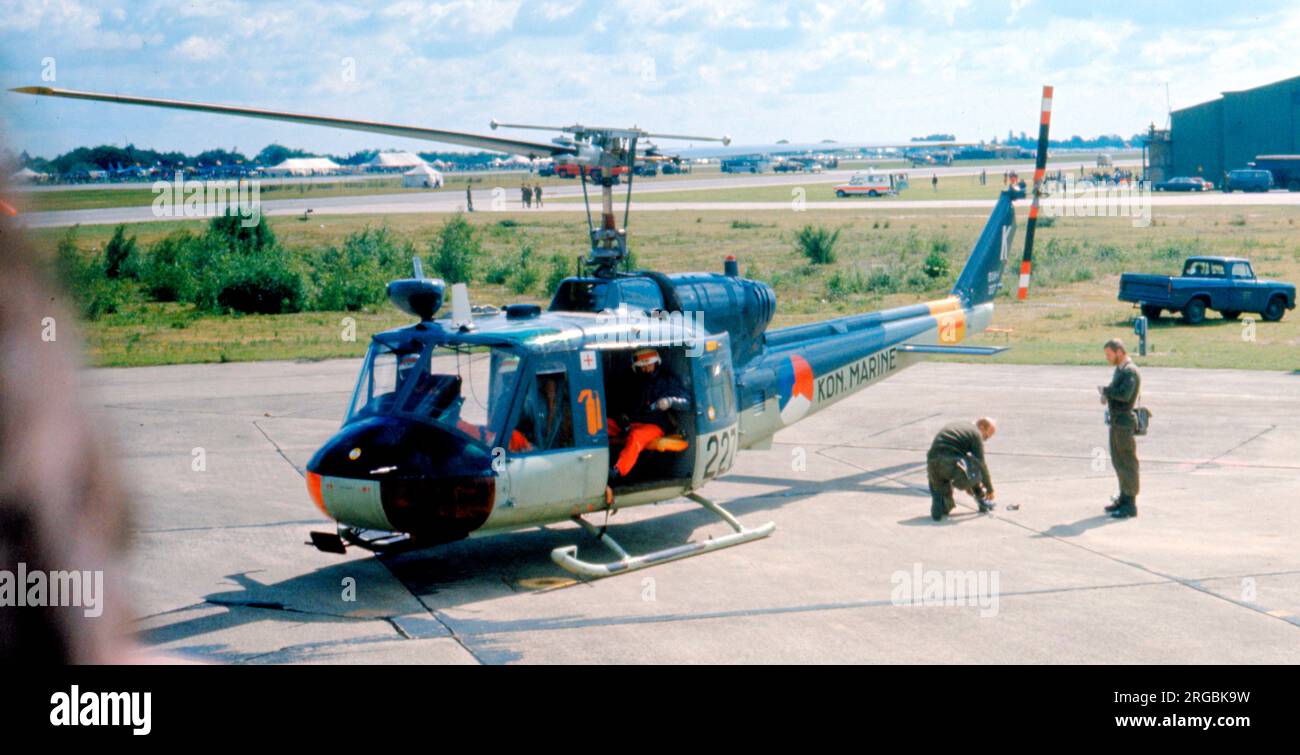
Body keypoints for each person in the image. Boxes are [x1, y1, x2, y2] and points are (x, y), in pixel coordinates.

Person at [607, 348, 689, 484]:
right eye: (642, 366)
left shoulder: (667, 381)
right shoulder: (629, 381)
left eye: (649, 364)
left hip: (653, 426)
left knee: (636, 437)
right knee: (600, 426)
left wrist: (670, 401)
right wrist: (621, 418)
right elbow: (617, 404)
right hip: (629, 424)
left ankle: (617, 471)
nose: (646, 369)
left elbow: (687, 401)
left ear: (657, 363)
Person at [1099, 338, 1141, 518]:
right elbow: (1117, 391)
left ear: (1119, 352)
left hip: (1124, 422)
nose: (1108, 358)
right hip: (1117, 422)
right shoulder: (1120, 370)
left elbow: (1125, 395)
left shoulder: (1130, 371)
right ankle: (1124, 497)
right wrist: (1107, 393)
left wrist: (1106, 392)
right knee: (1118, 461)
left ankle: (1130, 504)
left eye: (1110, 354)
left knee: (1127, 462)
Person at [927, 418, 997, 521]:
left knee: (943, 504)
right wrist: (989, 488)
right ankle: (982, 501)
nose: (984, 440)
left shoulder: (960, 426)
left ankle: (938, 502)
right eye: (986, 437)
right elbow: (980, 464)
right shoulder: (975, 433)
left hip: (932, 463)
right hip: (950, 463)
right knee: (973, 465)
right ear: (981, 427)